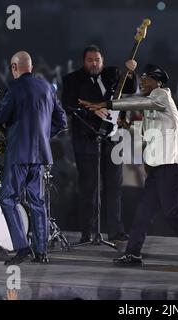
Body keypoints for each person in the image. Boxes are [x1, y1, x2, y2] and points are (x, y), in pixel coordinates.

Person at [79, 64, 178, 265]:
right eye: (141, 77)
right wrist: (128, 127)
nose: (141, 81)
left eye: (146, 78)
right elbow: (147, 134)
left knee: (171, 211)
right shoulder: (153, 104)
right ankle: (133, 253)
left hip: (172, 163)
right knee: (144, 212)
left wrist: (107, 104)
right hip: (158, 167)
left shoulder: (161, 95)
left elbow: (135, 102)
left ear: (157, 82)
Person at [0, 51, 67, 264]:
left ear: (15, 67)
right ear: (30, 67)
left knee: (7, 198)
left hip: (19, 154)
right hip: (40, 155)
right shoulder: (48, 88)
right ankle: (41, 252)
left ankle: (22, 247)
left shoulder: (15, 89)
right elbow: (62, 121)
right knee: (38, 202)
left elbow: (0, 117)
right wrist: (42, 135)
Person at [62, 45, 137, 244]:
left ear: (102, 60)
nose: (94, 63)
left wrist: (131, 72)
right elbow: (68, 104)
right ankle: (89, 232)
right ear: (83, 61)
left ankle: (115, 231)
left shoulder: (113, 74)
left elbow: (130, 89)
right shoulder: (72, 79)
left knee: (114, 186)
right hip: (87, 140)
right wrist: (91, 110)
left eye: (97, 60)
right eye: (90, 60)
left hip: (113, 139)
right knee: (89, 188)